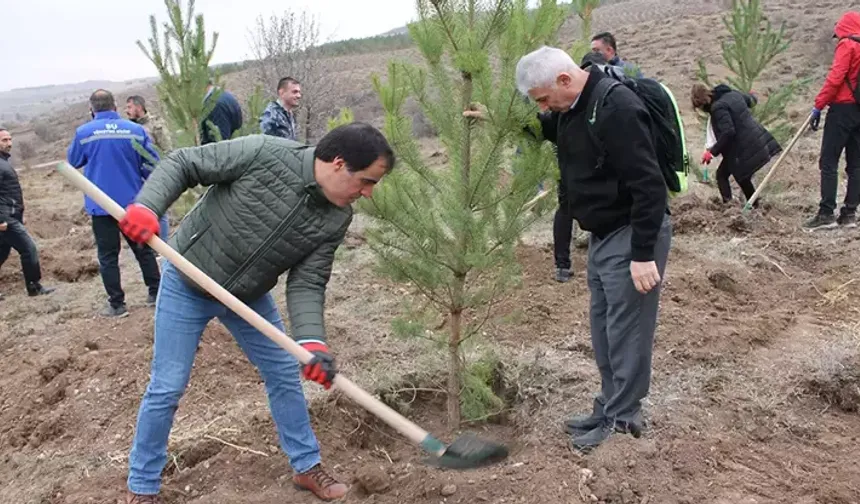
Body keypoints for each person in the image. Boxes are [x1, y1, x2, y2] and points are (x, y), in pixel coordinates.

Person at [115, 122, 395, 503]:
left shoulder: (336, 218)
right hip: (188, 279)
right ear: (338, 164)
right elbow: (184, 163)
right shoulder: (264, 153)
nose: (368, 193)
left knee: (284, 373)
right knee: (168, 386)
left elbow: (308, 282)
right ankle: (142, 485)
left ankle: (306, 466)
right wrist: (148, 206)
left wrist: (311, 342)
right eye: (366, 181)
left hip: (248, 296)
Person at [515, 46, 671, 451]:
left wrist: (642, 255)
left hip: (631, 232)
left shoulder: (616, 107)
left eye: (544, 99)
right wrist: (499, 120)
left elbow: (649, 185)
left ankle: (623, 420)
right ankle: (608, 406)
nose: (544, 108)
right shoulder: (573, 108)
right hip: (603, 235)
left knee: (627, 331)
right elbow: (548, 129)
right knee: (604, 330)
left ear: (565, 79)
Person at [66, 89, 162, 318]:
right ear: (115, 107)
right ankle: (156, 294)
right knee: (144, 250)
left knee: (108, 257)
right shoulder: (135, 130)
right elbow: (152, 164)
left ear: (92, 109)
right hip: (132, 204)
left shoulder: (84, 133)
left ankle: (117, 305)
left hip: (101, 206)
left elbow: (73, 161)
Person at [804, 11, 860, 230]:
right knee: (856, 164)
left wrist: (818, 105)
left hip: (842, 110)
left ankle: (826, 213)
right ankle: (849, 214)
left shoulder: (847, 45)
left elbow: (835, 78)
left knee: (828, 161)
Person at [691, 83, 781, 206]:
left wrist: (712, 152)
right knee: (741, 177)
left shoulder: (718, 108)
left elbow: (728, 132)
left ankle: (730, 206)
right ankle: (753, 205)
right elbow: (751, 101)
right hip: (756, 139)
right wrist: (752, 95)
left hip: (743, 147)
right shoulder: (732, 94)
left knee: (723, 175)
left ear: (703, 102)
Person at [0, 127, 55, 300]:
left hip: (11, 216)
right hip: (6, 219)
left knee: (1, 253)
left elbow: (8, 193)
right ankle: (34, 287)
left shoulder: (3, 162)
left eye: (10, 139)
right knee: (28, 249)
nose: (9, 143)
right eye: (4, 140)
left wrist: (19, 214)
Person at [125, 95, 171, 239]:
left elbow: (166, 149)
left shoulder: (155, 125)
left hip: (155, 174)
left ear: (139, 107)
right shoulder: (129, 128)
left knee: (160, 211)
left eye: (129, 107)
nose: (127, 111)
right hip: (137, 177)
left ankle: (162, 244)